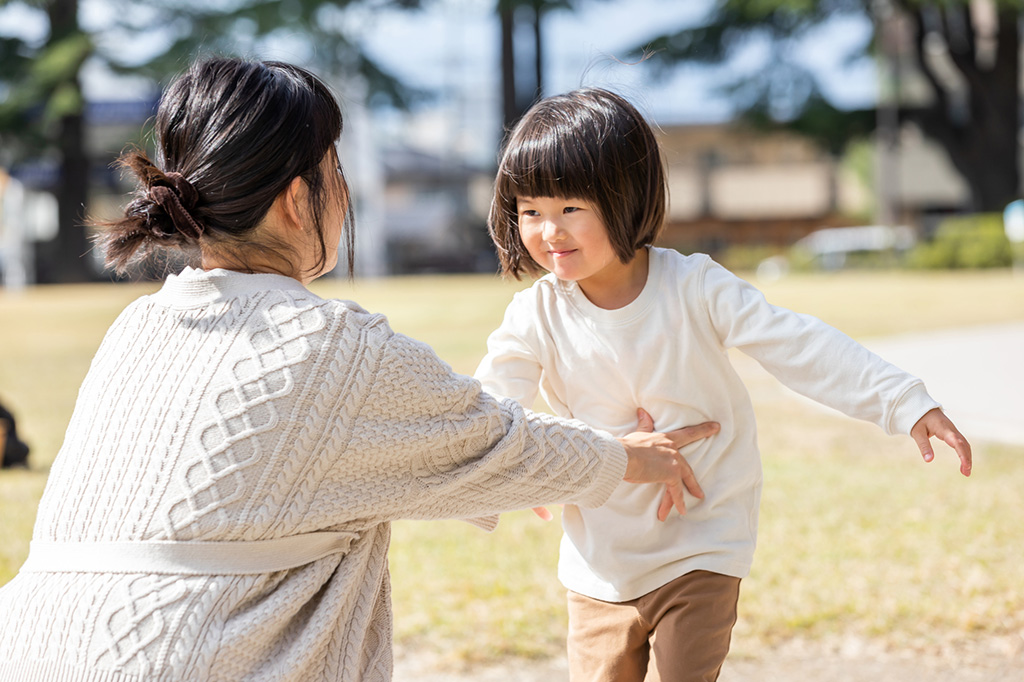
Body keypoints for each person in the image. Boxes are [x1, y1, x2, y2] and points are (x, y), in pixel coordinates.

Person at [0, 60, 719, 682]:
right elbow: (498, 445)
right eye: (334, 171)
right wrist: (625, 457)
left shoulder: (135, 328)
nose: (345, 191)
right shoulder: (331, 346)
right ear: (296, 198)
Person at [474, 88, 973, 682]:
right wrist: (532, 463)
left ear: (625, 196)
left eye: (570, 209)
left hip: (701, 543)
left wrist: (903, 401)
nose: (548, 230)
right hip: (599, 562)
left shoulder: (694, 287)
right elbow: (490, 409)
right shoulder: (534, 316)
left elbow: (798, 345)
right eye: (530, 211)